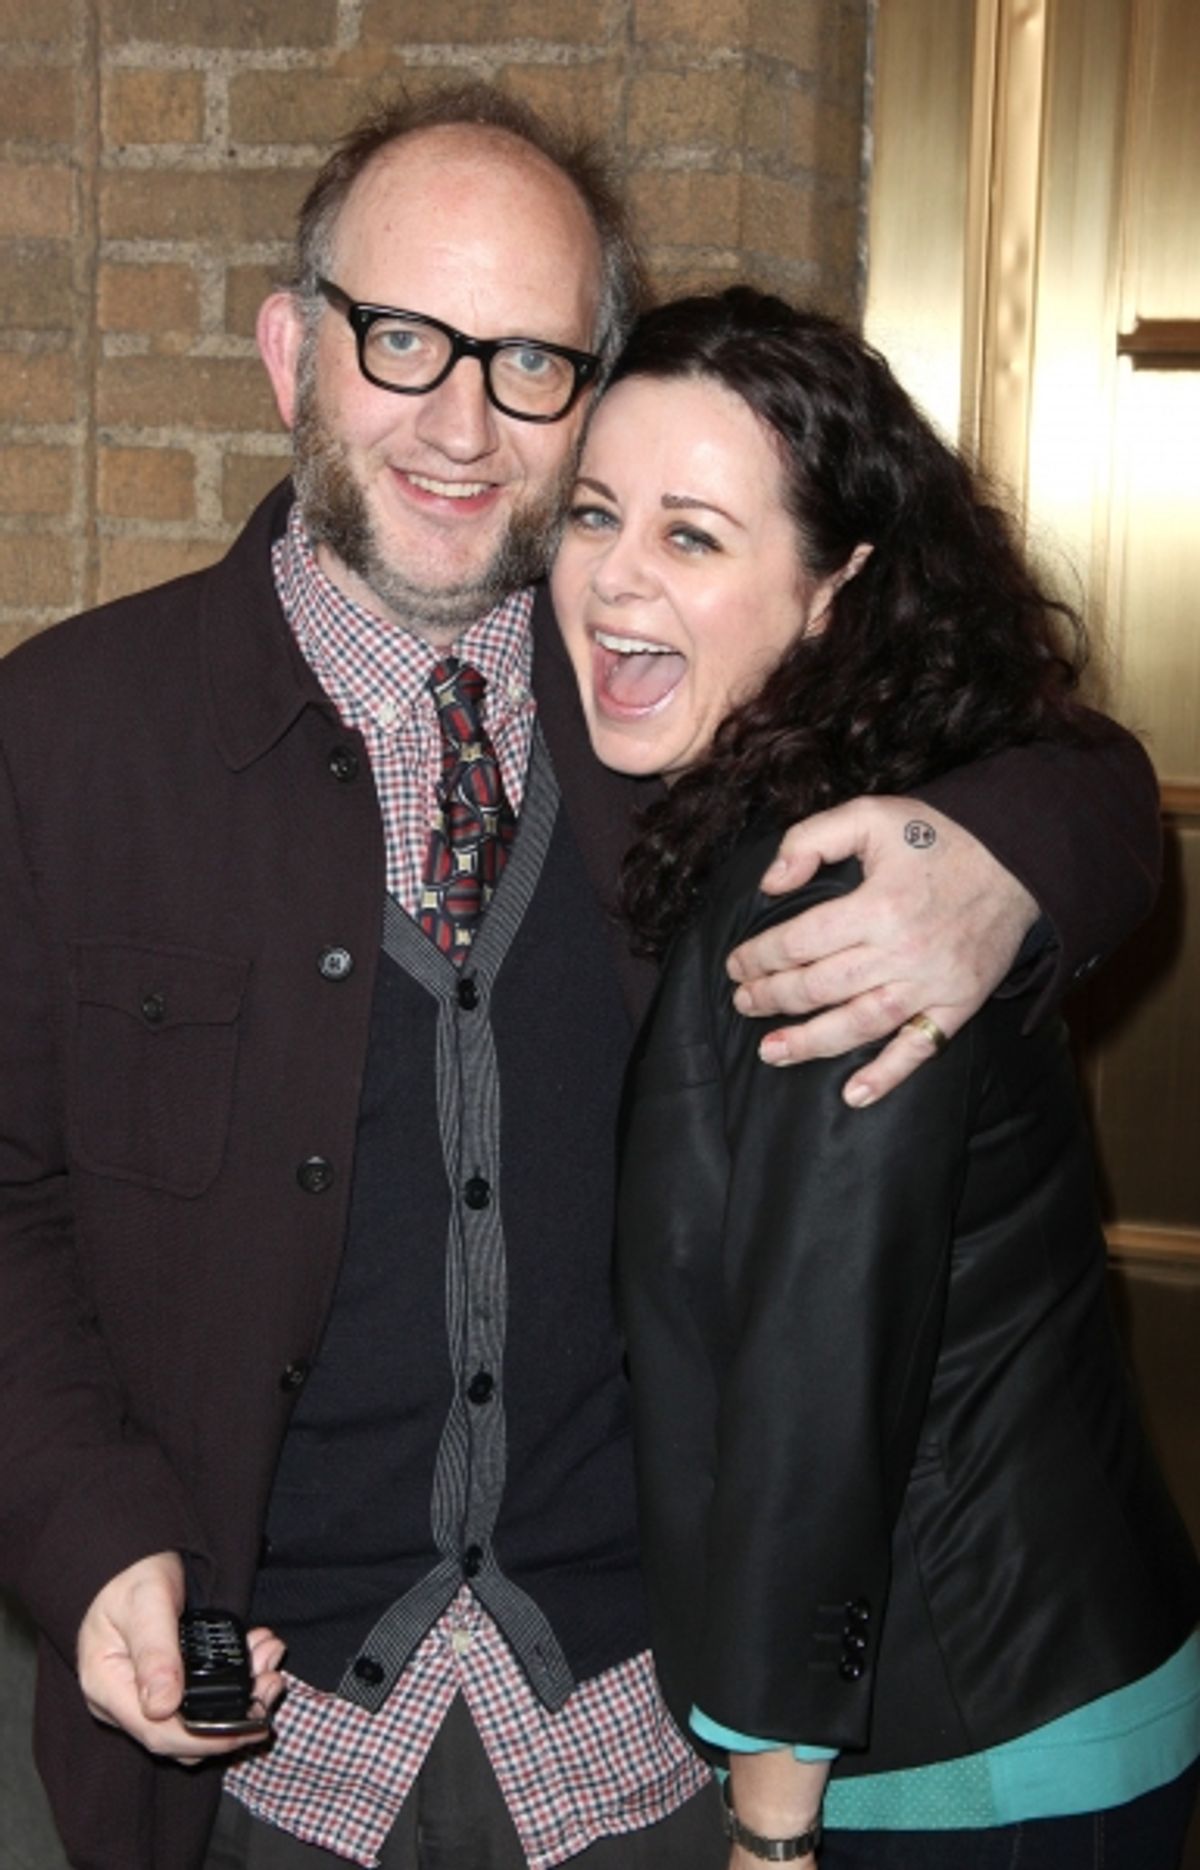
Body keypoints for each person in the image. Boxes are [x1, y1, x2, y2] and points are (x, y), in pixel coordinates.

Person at [0, 82, 1165, 1870]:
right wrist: (87, 1533)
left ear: (589, 395)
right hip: (268, 1768)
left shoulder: (681, 701)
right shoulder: (68, 736)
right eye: (404, 341)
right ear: (292, 353)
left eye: (532, 362)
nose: (466, 423)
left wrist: (1004, 862)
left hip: (649, 1756)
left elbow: (1065, 758)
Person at [551, 285, 1200, 1870]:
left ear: (836, 587)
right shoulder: (822, 784)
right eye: (594, 512)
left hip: (966, 1740)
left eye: (693, 535)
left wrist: (773, 1822)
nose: (617, 574)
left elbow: (814, 1382)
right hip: (1056, 1665)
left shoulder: (846, 887)